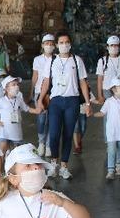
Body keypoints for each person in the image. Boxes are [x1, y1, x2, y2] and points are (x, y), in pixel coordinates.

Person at [35, 32, 94, 180]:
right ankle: (54, 162)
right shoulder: (52, 61)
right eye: (61, 42)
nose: (64, 45)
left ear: (70, 44)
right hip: (56, 101)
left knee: (68, 134)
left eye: (66, 42)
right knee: (54, 134)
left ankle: (64, 166)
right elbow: (46, 82)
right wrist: (40, 99)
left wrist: (87, 103)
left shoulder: (77, 60)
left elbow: (83, 83)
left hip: (72, 101)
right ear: (57, 45)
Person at [93, 79, 120, 180]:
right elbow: (102, 113)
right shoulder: (109, 101)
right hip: (111, 131)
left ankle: (119, 165)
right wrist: (93, 114)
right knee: (111, 150)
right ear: (113, 89)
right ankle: (110, 170)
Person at [0, 76, 42, 156]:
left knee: (15, 154)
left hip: (16, 132)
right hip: (4, 131)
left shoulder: (19, 100)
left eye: (17, 84)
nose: (16, 86)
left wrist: (37, 111)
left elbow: (27, 109)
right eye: (13, 84)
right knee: (1, 152)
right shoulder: (2, 101)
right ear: (6, 88)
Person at [30, 35, 56, 157]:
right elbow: (35, 76)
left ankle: (49, 144)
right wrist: (31, 91)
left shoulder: (57, 59)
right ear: (42, 45)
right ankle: (41, 142)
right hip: (39, 92)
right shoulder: (37, 60)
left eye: (51, 43)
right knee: (41, 119)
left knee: (51, 119)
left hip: (53, 92)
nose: (49, 46)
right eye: (47, 43)